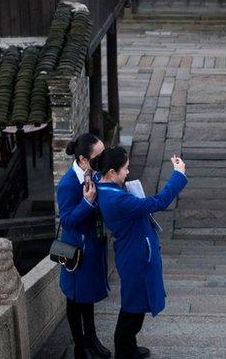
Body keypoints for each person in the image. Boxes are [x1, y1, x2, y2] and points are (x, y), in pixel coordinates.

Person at [92, 147, 188, 359]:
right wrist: (178, 174)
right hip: (137, 255)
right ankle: (125, 352)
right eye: (125, 169)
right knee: (133, 306)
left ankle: (130, 347)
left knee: (136, 302)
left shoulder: (103, 184)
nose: (128, 173)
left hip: (133, 250)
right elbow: (159, 202)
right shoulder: (118, 200)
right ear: (111, 173)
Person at [57, 133, 110, 358]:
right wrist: (87, 203)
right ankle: (81, 345)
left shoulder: (95, 175)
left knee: (87, 297)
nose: (103, 161)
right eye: (98, 158)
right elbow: (67, 221)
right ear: (82, 160)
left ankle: (92, 338)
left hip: (93, 246)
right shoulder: (68, 184)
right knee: (75, 297)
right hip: (75, 253)